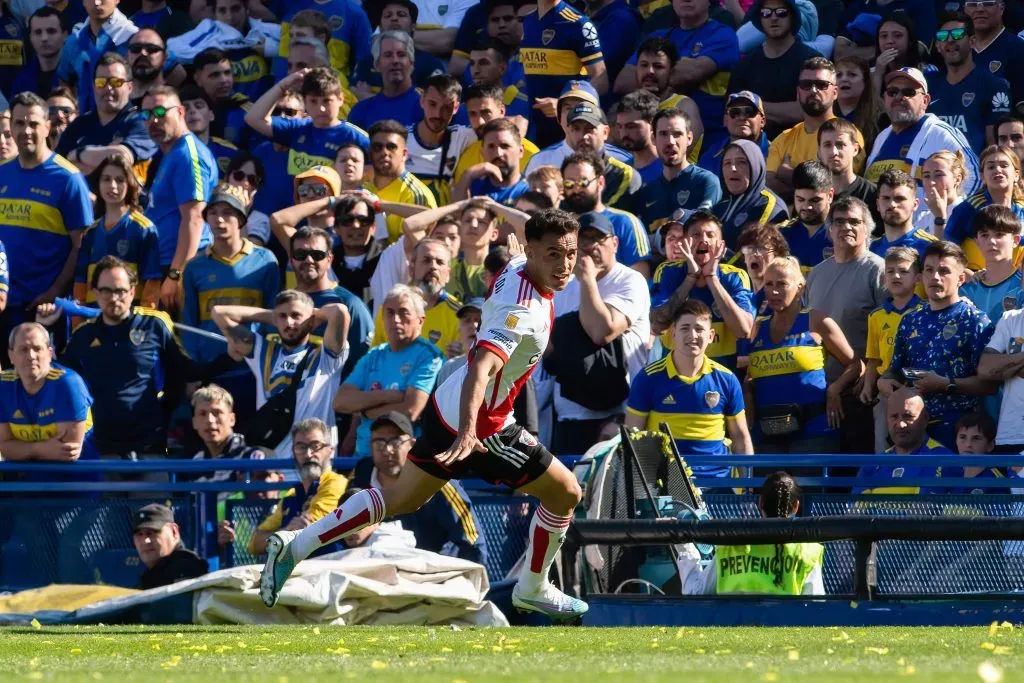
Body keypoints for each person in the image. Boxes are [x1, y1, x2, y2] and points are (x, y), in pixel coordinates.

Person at [260, 209, 590, 620]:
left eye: (571, 253)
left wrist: (522, 248)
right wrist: (470, 433)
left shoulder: (521, 263)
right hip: (481, 420)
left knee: (400, 498)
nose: (564, 265)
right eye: (554, 254)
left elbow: (523, 244)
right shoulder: (522, 311)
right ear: (537, 253)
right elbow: (482, 368)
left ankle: (297, 545)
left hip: (444, 402)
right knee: (567, 493)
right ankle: (533, 587)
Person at [36, 256, 230, 457]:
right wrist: (45, 327)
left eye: (120, 290)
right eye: (106, 290)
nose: (113, 298)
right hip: (102, 449)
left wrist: (231, 357)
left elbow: (189, 370)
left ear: (132, 291)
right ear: (95, 293)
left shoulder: (154, 324)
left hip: (150, 446)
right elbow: (56, 375)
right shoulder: (84, 334)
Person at [547, 211, 651, 455]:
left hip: (621, 413)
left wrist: (588, 280)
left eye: (598, 239)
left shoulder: (630, 280)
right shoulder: (562, 286)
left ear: (614, 244)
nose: (590, 246)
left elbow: (601, 332)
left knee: (616, 492)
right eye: (583, 240)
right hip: (570, 412)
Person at [0, 92, 93, 356]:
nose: (26, 131)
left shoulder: (67, 179)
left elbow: (80, 246)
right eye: (19, 124)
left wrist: (54, 291)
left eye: (33, 124)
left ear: (48, 127)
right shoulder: (2, 173)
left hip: (40, 308)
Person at [880, 241, 997, 447]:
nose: (935, 277)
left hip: (957, 430)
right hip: (911, 427)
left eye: (944, 271)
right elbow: (894, 371)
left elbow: (989, 384)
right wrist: (885, 382)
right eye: (929, 270)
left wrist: (946, 384)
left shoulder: (975, 321)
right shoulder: (910, 320)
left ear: (961, 279)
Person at [212, 290, 351, 457]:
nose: (289, 322)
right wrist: (272, 317)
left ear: (310, 319)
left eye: (296, 315)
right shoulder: (264, 352)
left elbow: (340, 311)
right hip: (273, 468)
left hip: (316, 465)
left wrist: (316, 315)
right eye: (283, 316)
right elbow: (218, 313)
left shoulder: (325, 357)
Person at [181, 184, 280, 419]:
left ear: (241, 218)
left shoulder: (265, 260)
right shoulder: (195, 266)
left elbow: (273, 316)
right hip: (211, 370)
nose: (219, 220)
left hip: (253, 369)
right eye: (213, 213)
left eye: (227, 213)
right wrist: (193, 372)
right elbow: (189, 321)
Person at [625, 299, 752, 480]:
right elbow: (632, 436)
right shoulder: (648, 378)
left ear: (710, 335)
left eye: (699, 329)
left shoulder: (727, 380)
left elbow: (740, 437)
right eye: (685, 328)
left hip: (717, 485)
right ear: (673, 334)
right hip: (664, 486)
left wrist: (748, 486)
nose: (692, 335)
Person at [746, 257, 860, 455]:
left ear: (800, 287)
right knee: (769, 487)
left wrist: (835, 389)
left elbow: (856, 365)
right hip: (766, 432)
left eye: (782, 284)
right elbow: (750, 376)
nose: (774, 291)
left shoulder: (816, 321)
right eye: (769, 284)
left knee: (808, 486)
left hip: (813, 430)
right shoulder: (757, 327)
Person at [350, 411, 488, 563]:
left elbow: (471, 539)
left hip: (428, 575)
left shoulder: (436, 480)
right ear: (370, 446)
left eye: (396, 442)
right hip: (372, 572)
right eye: (379, 443)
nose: (387, 450)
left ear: (412, 445)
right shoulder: (360, 477)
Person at [806, 195, 886, 454]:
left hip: (860, 391)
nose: (846, 227)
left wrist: (869, 379)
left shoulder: (878, 270)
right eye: (839, 221)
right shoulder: (816, 273)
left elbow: (886, 330)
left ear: (867, 228)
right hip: (818, 392)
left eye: (854, 221)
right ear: (829, 230)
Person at [335, 284, 442, 458]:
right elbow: (340, 401)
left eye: (403, 312)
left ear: (420, 320)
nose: (396, 320)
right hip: (364, 456)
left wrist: (365, 410)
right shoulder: (374, 355)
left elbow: (410, 411)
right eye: (390, 313)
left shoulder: (429, 356)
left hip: (404, 460)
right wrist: (389, 396)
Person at [676, 472, 824, 595]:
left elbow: (694, 592)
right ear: (796, 507)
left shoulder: (730, 546)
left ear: (760, 502)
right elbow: (817, 610)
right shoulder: (807, 552)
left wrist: (684, 546)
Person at [614, 0, 739, 145]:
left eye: (658, 66)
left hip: (710, 141)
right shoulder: (658, 36)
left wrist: (647, 79)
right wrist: (664, 77)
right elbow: (622, 82)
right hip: (654, 135)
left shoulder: (723, 35)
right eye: (645, 65)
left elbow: (686, 75)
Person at [141, 86, 218, 309]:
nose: (152, 121)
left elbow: (194, 218)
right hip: (163, 265)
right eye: (146, 115)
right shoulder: (170, 155)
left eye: (159, 112)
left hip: (180, 268)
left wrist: (176, 275)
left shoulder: (188, 154)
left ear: (181, 112)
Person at [865, 67, 981, 212]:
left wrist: (947, 221)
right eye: (892, 92)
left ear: (925, 101)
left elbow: (975, 179)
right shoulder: (881, 137)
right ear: (884, 98)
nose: (899, 97)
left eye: (909, 92)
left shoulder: (941, 134)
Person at [650, 211, 755, 370]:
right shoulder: (667, 272)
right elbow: (657, 325)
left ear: (721, 245)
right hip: (676, 376)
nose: (703, 240)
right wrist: (690, 278)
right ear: (684, 242)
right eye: (696, 234)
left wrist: (712, 278)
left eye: (710, 235)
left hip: (722, 377)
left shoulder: (735, 276)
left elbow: (744, 331)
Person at [274, 225, 374, 380]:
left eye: (317, 254)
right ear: (291, 259)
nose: (309, 260)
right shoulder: (281, 304)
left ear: (329, 259)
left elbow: (364, 366)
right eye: (300, 254)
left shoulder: (350, 304)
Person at [246, 66, 370, 181]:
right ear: (305, 102)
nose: (320, 108)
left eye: (327, 101)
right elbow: (253, 118)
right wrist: (283, 86)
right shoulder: (296, 128)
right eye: (313, 101)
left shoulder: (357, 138)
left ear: (340, 99)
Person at [0, 322, 96, 467]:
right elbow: (5, 448)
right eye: (23, 349)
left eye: (37, 349)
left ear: (49, 354)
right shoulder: (3, 386)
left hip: (76, 477)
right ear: (11, 356)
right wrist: (39, 448)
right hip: (26, 476)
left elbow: (66, 452)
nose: (31, 356)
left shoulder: (68, 384)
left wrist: (22, 448)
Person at [247, 418, 348, 556]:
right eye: (301, 446)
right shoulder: (291, 495)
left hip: (328, 569)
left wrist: (281, 535)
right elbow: (254, 544)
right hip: (295, 573)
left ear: (330, 450)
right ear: (293, 452)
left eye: (315, 446)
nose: (308, 454)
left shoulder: (337, 483)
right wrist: (288, 530)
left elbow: (309, 530)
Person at [767, 57, 866, 198]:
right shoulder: (783, 139)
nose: (813, 90)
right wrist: (813, 182)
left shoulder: (849, 134)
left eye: (822, 85)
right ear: (798, 92)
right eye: (806, 84)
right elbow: (769, 184)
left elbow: (840, 184)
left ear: (835, 92)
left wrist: (791, 175)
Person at [526, 92, 641, 210]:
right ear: (568, 132)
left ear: (605, 132)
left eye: (590, 129)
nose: (583, 136)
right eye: (576, 129)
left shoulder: (623, 174)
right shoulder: (558, 171)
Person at [726, 0, 823, 139]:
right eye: (766, 13)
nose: (774, 18)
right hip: (753, 148)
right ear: (759, 18)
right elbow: (732, 112)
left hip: (800, 146)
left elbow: (807, 111)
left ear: (793, 16)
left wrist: (753, 106)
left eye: (781, 12)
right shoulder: (745, 65)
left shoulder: (811, 61)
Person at [520, 0, 607, 147]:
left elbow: (601, 79)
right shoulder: (527, 21)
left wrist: (566, 106)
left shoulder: (578, 24)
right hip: (535, 127)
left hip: (570, 130)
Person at [860, 246, 923, 453]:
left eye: (904, 271)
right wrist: (868, 387)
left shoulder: (925, 311)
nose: (896, 276)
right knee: (883, 442)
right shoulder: (876, 316)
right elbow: (873, 359)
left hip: (918, 389)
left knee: (916, 440)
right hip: (886, 391)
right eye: (890, 271)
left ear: (917, 278)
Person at [76, 154, 161, 306]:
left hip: (128, 322)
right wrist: (78, 322)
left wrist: (143, 323)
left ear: (129, 184)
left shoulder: (143, 229)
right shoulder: (91, 233)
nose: (113, 186)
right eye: (106, 179)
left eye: (120, 180)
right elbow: (80, 283)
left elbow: (152, 282)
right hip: (94, 321)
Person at [55, 52, 158, 177]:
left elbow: (123, 157)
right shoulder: (79, 125)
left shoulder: (142, 122)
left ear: (130, 87)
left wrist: (78, 154)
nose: (108, 88)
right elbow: (58, 167)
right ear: (93, 86)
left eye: (115, 82)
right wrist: (107, 153)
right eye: (101, 82)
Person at [928, 11, 1012, 156]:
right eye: (943, 36)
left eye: (958, 34)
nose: (950, 40)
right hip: (934, 172)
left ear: (972, 41)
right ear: (937, 46)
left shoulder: (993, 86)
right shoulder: (928, 85)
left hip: (975, 173)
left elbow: (996, 147)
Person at [560, 151, 652, 276]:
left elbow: (640, 275)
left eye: (583, 182)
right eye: (569, 184)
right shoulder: (559, 227)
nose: (576, 189)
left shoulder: (625, 222)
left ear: (600, 183)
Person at [635, 108, 722, 236]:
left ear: (690, 138)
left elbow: (703, 230)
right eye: (663, 134)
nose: (670, 142)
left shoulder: (706, 181)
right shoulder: (647, 191)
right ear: (653, 139)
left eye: (677, 134)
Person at [370, 240, 462, 353]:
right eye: (426, 260)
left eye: (439, 262)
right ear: (411, 269)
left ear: (448, 274)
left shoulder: (459, 315)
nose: (433, 266)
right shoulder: (389, 309)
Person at [622, 36, 705, 159]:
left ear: (672, 71)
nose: (650, 71)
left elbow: (673, 157)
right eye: (644, 65)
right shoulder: (628, 106)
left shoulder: (684, 106)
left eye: (658, 66)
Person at [943, 144, 1024, 271]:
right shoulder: (968, 209)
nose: (998, 170)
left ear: (1016, 174)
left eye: (1004, 165)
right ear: (982, 176)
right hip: (975, 283)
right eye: (991, 167)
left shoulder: (1022, 209)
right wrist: (968, 275)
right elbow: (947, 251)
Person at [404, 73, 476, 206]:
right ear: (422, 101)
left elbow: (500, 130)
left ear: (456, 108)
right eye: (432, 104)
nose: (438, 114)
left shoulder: (462, 136)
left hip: (444, 221)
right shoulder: (402, 139)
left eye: (447, 108)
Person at [56, 0, 138, 114]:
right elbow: (64, 79)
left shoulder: (134, 39)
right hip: (86, 123)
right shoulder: (74, 41)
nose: (97, 2)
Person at [452, 84, 540, 186]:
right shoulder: (467, 157)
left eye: (486, 113)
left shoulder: (533, 156)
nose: (480, 122)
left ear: (502, 111)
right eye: (473, 114)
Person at [366, 119, 437, 244]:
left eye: (391, 147)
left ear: (404, 154)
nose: (384, 152)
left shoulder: (416, 194)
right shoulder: (364, 188)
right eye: (378, 147)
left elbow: (420, 247)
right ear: (370, 153)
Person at [713, 139, 789, 249]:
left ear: (756, 166)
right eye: (727, 163)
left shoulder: (768, 205)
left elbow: (754, 252)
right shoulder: (721, 205)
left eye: (741, 162)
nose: (733, 168)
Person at [978, 283, 1024, 454]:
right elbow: (985, 368)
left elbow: (995, 365)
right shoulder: (1009, 318)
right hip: (1011, 435)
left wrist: (1007, 365)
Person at [347, 31, 424, 131]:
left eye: (401, 55)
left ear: (412, 63)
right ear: (377, 65)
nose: (395, 60)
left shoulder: (427, 107)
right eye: (388, 55)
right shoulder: (360, 111)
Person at [960, 205, 1023, 323]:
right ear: (976, 242)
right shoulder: (966, 291)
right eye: (984, 235)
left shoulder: (1021, 286)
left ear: (1015, 241)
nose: (991, 241)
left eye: (999, 234)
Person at [452, 117, 529, 205]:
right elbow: (456, 215)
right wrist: (468, 174)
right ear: (482, 153)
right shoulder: (472, 188)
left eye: (505, 146)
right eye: (491, 147)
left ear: (521, 151)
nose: (498, 154)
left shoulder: (531, 191)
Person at [133, 503, 209, 590]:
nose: (145, 541)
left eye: (153, 532)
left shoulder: (187, 567)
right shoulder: (152, 575)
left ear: (174, 531)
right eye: (139, 534)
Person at [698, 90, 770, 178]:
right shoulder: (711, 155)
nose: (742, 117)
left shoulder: (775, 152)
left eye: (749, 111)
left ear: (762, 121)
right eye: (735, 112)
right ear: (725, 120)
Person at [966, 0, 1024, 109]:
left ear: (1001, 8)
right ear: (965, 9)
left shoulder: (1018, 49)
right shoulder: (955, 48)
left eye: (988, 3)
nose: (979, 9)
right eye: (973, 4)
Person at [778, 160, 835, 271]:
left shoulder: (844, 233)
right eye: (800, 199)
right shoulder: (781, 234)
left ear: (830, 195)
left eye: (815, 200)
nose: (807, 206)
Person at [817, 117, 877, 220]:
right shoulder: (811, 196)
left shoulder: (873, 195)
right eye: (827, 145)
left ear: (855, 149)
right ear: (819, 152)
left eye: (840, 145)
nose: (834, 152)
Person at [871, 169, 938, 260]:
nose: (892, 204)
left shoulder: (930, 247)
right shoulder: (871, 248)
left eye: (899, 199)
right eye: (886, 198)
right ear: (878, 204)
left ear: (915, 204)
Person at [190, 48, 250, 147]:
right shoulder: (186, 111)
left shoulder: (247, 111)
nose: (223, 80)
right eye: (214, 75)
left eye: (227, 73)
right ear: (198, 79)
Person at [736, 222, 791, 316]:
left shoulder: (784, 295)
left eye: (762, 249)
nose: (755, 254)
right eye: (749, 249)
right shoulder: (741, 295)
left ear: (777, 255)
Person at [180, 85, 237, 174]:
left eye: (198, 106)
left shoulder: (231, 153)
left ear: (211, 115)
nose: (192, 111)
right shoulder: (168, 153)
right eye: (185, 109)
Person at [11, 6, 65, 98]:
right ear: (30, 37)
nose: (44, 38)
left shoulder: (78, 74)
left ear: (65, 35)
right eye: (38, 32)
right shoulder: (21, 80)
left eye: (51, 31)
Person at [615, 89, 662, 184]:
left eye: (631, 127)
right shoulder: (619, 173)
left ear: (653, 125)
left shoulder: (670, 170)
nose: (624, 133)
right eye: (620, 126)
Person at [834, 56, 878, 153]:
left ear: (865, 83)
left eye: (852, 75)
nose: (844, 79)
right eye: (839, 75)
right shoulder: (824, 116)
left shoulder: (878, 120)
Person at [920, 149, 969, 236]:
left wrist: (940, 218)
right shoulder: (923, 218)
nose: (932, 182)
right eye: (926, 176)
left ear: (957, 179)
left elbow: (946, 249)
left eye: (938, 175)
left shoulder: (969, 214)